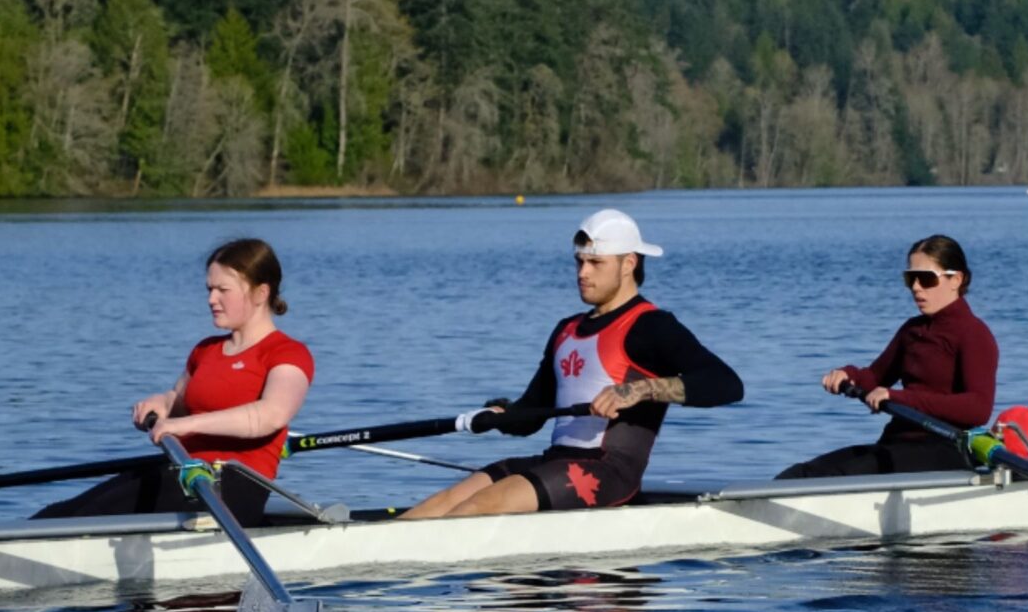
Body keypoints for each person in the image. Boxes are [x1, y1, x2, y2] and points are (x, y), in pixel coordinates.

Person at [401, 209, 743, 518]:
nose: (582, 272)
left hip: (606, 473)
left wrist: (641, 389)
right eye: (579, 262)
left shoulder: (652, 326)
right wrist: (501, 415)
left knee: (478, 507)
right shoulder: (566, 330)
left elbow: (726, 384)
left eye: (595, 263)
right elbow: (532, 415)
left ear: (629, 263)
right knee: (444, 503)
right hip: (555, 462)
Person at [34, 238, 313, 527]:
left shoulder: (287, 354)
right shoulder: (206, 350)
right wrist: (162, 403)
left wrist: (186, 425)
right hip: (185, 472)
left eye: (222, 290)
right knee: (58, 514)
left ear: (260, 293)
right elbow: (177, 401)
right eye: (209, 289)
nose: (211, 299)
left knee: (82, 520)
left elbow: (270, 415)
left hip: (231, 487)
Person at [777, 234, 997, 479]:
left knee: (836, 473)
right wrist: (848, 374)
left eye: (925, 279)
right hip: (897, 443)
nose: (915, 287)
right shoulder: (912, 330)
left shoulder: (974, 334)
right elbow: (874, 377)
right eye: (910, 278)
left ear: (956, 279)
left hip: (943, 449)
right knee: (801, 474)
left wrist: (900, 397)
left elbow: (978, 408)